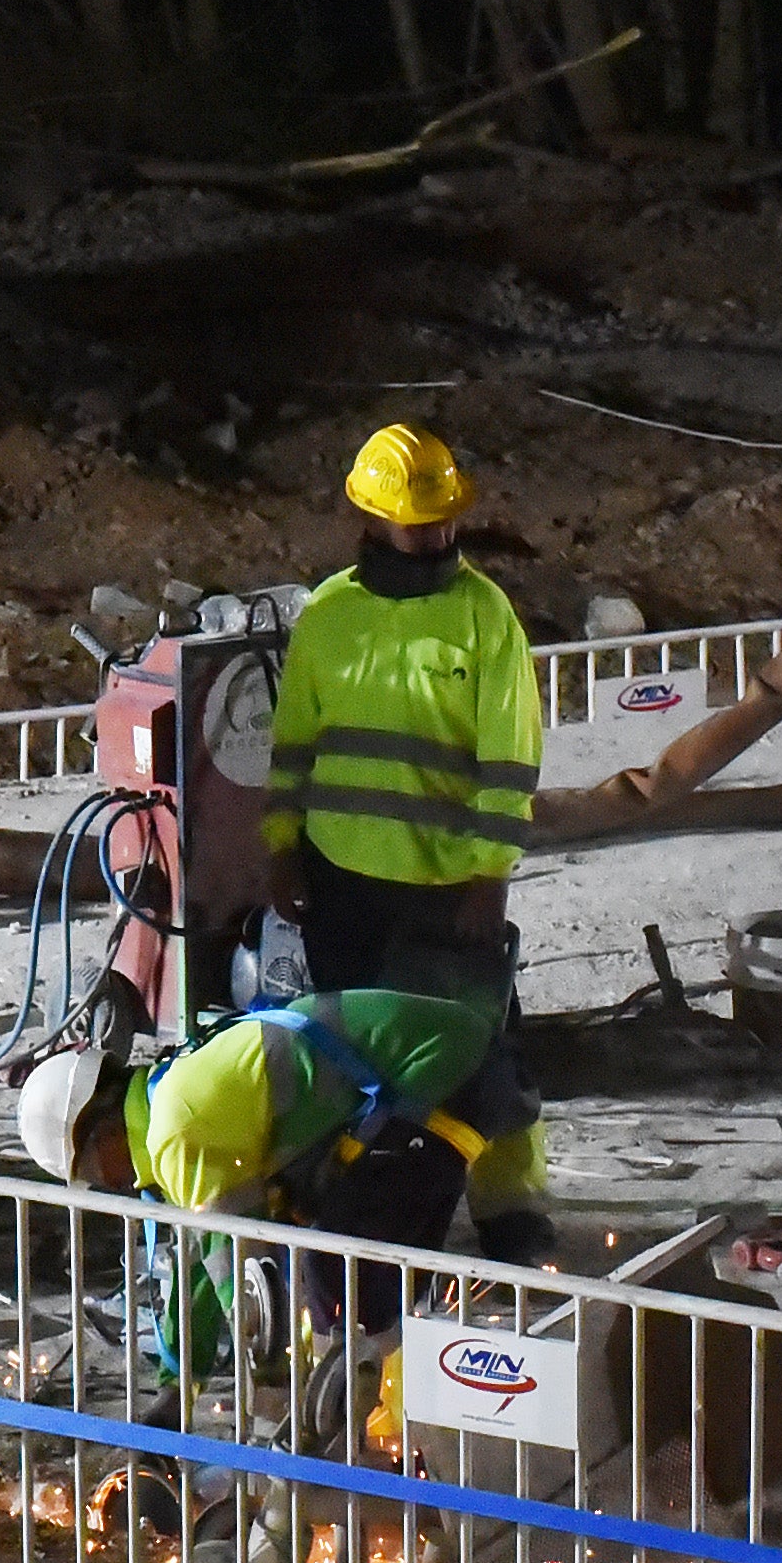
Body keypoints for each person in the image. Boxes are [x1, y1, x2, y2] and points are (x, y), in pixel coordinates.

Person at [259, 424, 556, 1263]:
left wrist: (486, 875)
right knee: (352, 1052)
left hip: (445, 885)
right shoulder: (329, 614)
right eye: (420, 520)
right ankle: (366, 1201)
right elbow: (295, 746)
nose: (438, 534)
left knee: (486, 1051)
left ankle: (514, 1212)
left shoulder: (483, 617)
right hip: (341, 875)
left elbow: (509, 762)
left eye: (445, 517)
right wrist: (282, 848)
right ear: (373, 516)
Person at [14, 990, 538, 1324]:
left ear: (99, 1132)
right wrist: (181, 1383)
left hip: (449, 1074)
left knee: (341, 1282)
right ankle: (376, 1407)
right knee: (346, 1278)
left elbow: (233, 1259)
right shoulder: (170, 1096)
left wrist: (265, 1372)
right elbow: (201, 1263)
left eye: (93, 1175)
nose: (111, 1185)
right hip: (452, 1066)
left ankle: (371, 1428)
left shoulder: (175, 1129)